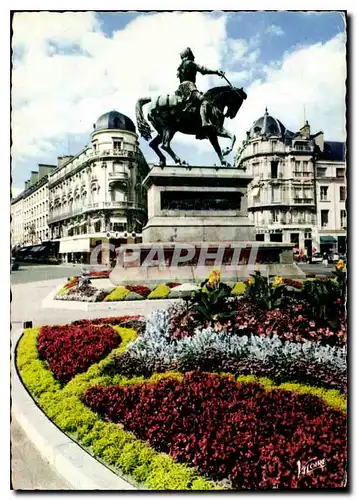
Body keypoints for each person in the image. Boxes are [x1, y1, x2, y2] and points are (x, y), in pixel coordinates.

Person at [176, 47, 224, 131]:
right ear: (189, 55)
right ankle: (204, 122)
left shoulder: (179, 67)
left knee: (193, 102)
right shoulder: (190, 63)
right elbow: (203, 70)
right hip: (190, 87)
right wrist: (216, 72)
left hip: (180, 89)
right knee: (204, 101)